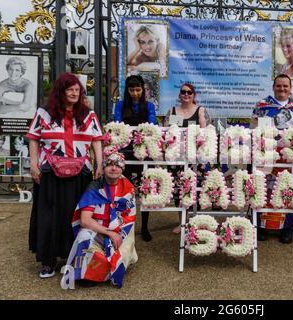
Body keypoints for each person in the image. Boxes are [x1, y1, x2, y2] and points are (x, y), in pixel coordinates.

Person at [27, 72, 103, 278]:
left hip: (81, 173)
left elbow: (97, 139)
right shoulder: (44, 112)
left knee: (76, 216)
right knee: (49, 215)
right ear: (60, 91)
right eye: (70, 89)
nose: (74, 93)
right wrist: (34, 165)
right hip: (51, 171)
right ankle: (48, 261)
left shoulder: (88, 114)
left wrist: (100, 163)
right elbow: (33, 138)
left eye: (77, 90)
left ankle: (72, 258)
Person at [64, 152, 138, 288]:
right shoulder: (94, 187)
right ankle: (88, 274)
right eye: (109, 165)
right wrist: (109, 233)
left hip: (120, 229)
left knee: (119, 256)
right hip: (97, 228)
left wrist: (117, 232)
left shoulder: (127, 188)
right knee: (84, 237)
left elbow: (130, 216)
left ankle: (104, 270)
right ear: (103, 168)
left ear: (122, 169)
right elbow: (85, 220)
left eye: (117, 165)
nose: (114, 168)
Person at [251, 74, 293, 244]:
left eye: (285, 86)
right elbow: (254, 130)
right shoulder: (262, 107)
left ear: (290, 89)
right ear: (273, 87)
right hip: (266, 156)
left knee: (287, 190)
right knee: (265, 189)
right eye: (279, 86)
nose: (282, 89)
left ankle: (287, 227)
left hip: (289, 157)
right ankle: (263, 226)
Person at [114, 75, 157, 242]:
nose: (135, 93)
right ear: (127, 90)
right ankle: (123, 224)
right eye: (131, 90)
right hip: (125, 152)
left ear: (143, 89)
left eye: (138, 89)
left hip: (144, 153)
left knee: (145, 189)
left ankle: (145, 226)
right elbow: (117, 125)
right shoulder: (120, 105)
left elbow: (152, 125)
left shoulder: (149, 106)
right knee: (124, 189)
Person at [164, 83, 210, 233]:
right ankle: (182, 221)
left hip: (195, 159)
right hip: (177, 158)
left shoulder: (201, 110)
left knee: (195, 189)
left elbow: (205, 133)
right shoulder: (172, 111)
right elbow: (166, 132)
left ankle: (195, 221)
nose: (186, 95)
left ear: (194, 95)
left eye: (189, 92)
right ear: (179, 94)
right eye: (183, 92)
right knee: (179, 190)